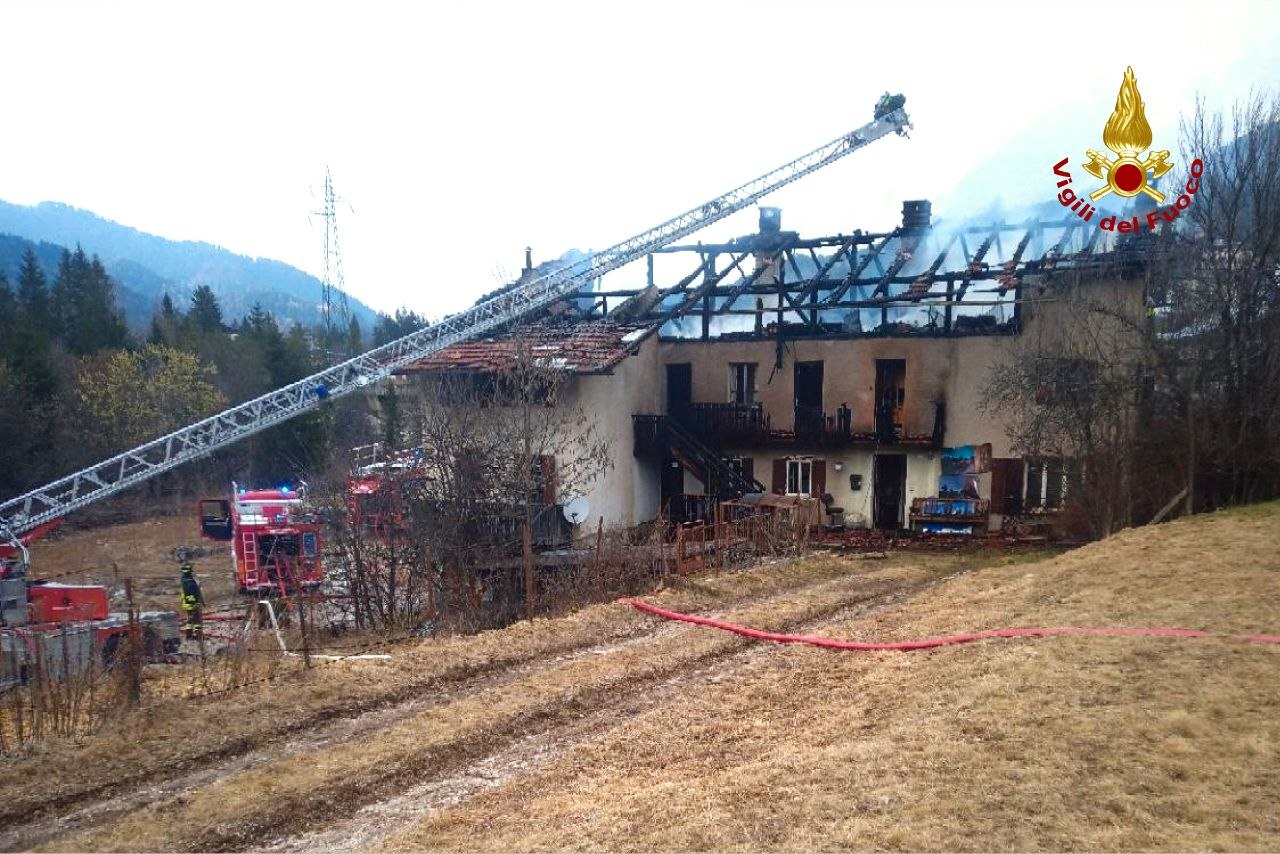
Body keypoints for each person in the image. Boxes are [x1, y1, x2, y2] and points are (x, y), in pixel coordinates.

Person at [179, 561, 204, 639]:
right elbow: (194, 592)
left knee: (190, 619)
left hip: (187, 603)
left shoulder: (184, 579)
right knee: (197, 620)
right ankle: (198, 636)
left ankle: (189, 635)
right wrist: (195, 603)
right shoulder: (189, 581)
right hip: (192, 603)